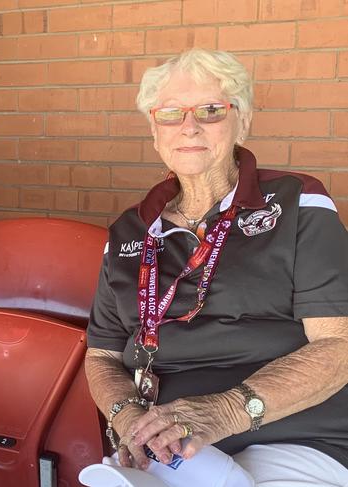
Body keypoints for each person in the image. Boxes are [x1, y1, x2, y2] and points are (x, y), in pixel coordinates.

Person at [85, 48, 348, 486]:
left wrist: (225, 411)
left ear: (242, 121)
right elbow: (102, 354)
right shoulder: (129, 231)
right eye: (170, 113)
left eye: (210, 110)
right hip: (170, 447)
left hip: (295, 437)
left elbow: (339, 346)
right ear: (154, 130)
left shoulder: (298, 202)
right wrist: (126, 414)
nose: (189, 126)